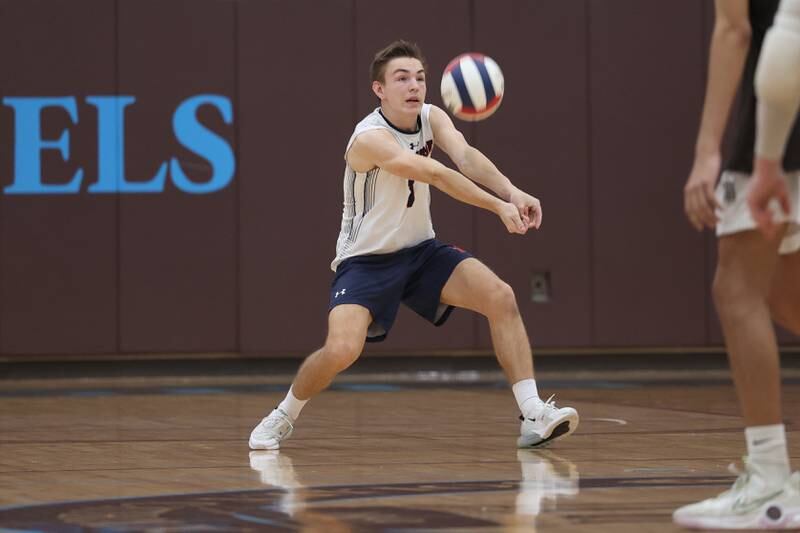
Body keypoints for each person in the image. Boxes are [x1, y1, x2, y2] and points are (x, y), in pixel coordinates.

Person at [249, 40, 578, 452]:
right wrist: (498, 206)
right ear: (379, 90)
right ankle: (284, 414)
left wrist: (512, 192)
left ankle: (533, 413)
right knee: (341, 349)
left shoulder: (431, 117)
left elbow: (466, 156)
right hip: (365, 261)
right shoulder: (369, 139)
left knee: (501, 297)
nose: (414, 86)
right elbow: (435, 173)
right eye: (401, 78)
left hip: (421, 252)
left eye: (420, 77)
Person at [674, 1, 800, 529]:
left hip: (785, 97)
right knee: (783, 292)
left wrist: (708, 150)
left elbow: (734, 28)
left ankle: (771, 482)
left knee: (737, 288)